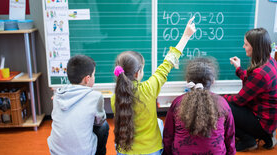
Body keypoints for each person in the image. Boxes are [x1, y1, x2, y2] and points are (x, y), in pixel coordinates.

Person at [110, 17, 196, 155]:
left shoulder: (116, 97)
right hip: (152, 151)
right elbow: (168, 62)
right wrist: (186, 35)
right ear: (138, 73)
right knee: (159, 123)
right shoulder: (149, 88)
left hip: (124, 151)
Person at [224, 28, 277, 151]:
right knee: (228, 102)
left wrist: (219, 98)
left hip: (262, 122)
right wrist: (238, 68)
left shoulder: (260, 73)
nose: (243, 47)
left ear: (255, 47)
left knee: (224, 106)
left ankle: (248, 140)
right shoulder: (271, 63)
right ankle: (266, 135)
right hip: (269, 120)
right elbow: (252, 83)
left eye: (246, 44)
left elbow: (239, 100)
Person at [163, 58, 236, 155]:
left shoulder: (177, 103)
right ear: (212, 81)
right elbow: (230, 138)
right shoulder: (222, 103)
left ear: (188, 80)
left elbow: (168, 136)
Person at [47, 55, 109, 155]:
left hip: (56, 152)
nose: (94, 77)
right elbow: (100, 121)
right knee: (104, 126)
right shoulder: (95, 96)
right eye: (93, 75)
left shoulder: (58, 95)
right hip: (83, 152)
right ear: (87, 79)